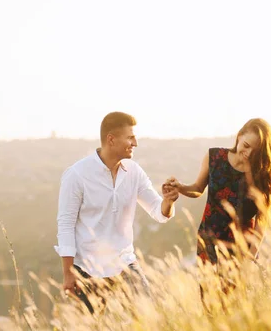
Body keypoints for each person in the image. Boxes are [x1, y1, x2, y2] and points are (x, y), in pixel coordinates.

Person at [55, 111, 179, 313]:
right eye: (130, 137)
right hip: (86, 268)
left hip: (124, 263)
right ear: (111, 139)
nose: (135, 143)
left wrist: (168, 200)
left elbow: (159, 212)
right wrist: (68, 273)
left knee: (148, 318)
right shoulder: (77, 174)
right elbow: (66, 225)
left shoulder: (134, 171)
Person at [165, 118, 271, 265]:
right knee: (207, 288)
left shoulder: (262, 174)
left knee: (234, 288)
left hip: (240, 248)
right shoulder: (214, 157)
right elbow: (198, 189)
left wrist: (251, 257)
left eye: (255, 151)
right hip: (208, 241)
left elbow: (262, 220)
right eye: (246, 145)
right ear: (239, 136)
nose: (249, 153)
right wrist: (180, 187)